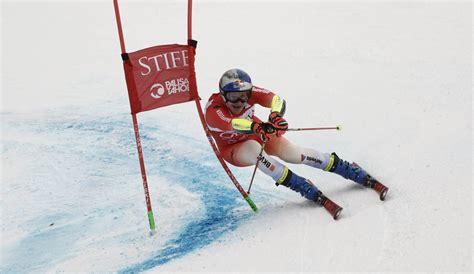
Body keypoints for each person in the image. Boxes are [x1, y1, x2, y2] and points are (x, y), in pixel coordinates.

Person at [205, 69, 388, 217]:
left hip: (256, 130)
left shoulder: (249, 94)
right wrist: (256, 126)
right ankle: (301, 185)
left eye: (244, 96)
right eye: (234, 97)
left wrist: (275, 116)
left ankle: (346, 168)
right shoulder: (214, 110)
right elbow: (234, 124)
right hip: (233, 148)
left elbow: (275, 99)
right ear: (223, 95)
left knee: (292, 153)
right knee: (255, 151)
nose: (240, 101)